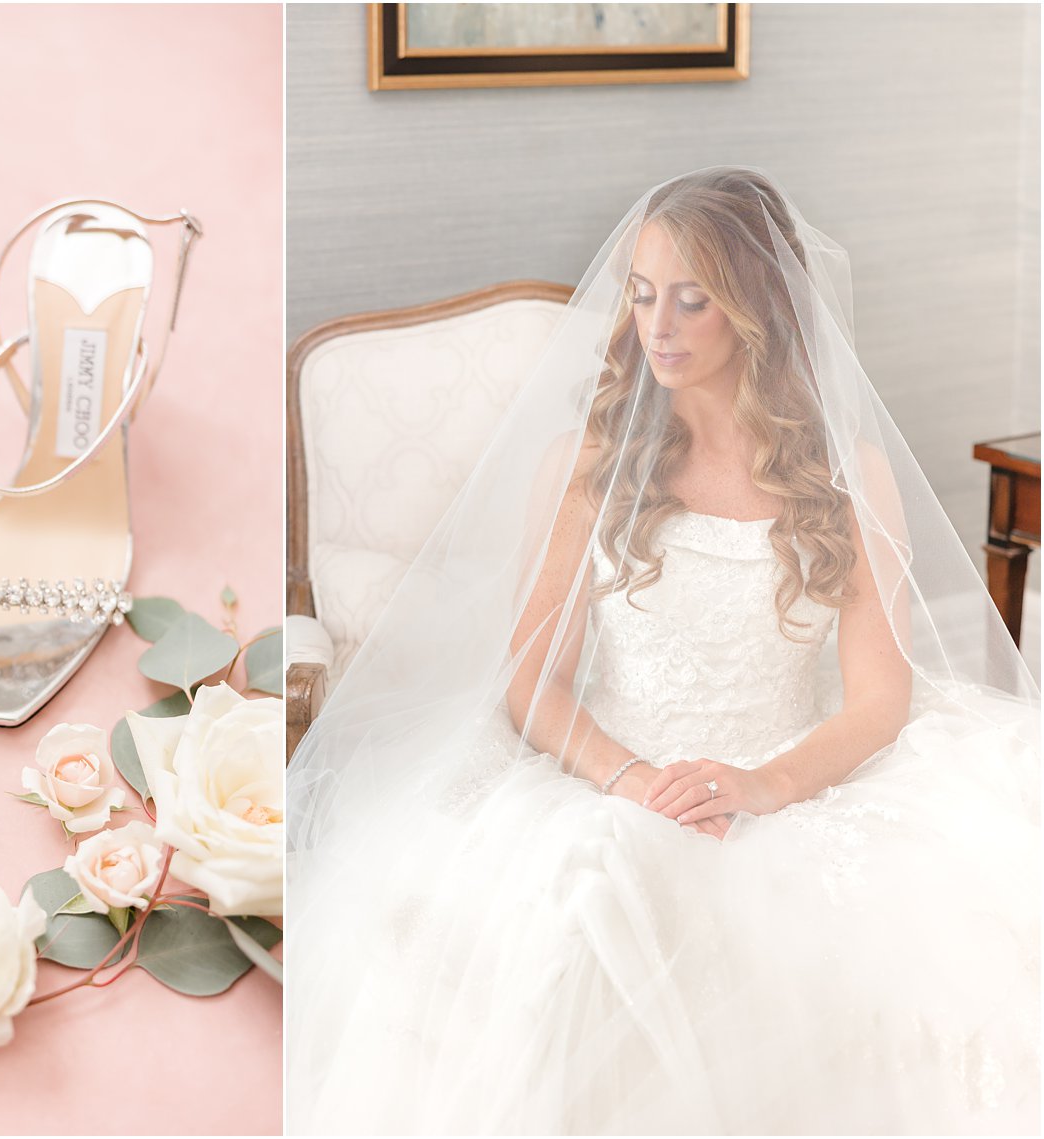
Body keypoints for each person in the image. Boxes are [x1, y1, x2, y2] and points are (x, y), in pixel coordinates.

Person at [285, 167, 1040, 1135]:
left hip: (788, 775)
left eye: (693, 298)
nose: (659, 325)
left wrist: (764, 785)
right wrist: (628, 775)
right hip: (608, 774)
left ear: (759, 310)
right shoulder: (589, 462)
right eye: (641, 294)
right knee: (591, 905)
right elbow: (530, 675)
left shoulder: (846, 473)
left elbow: (876, 696)